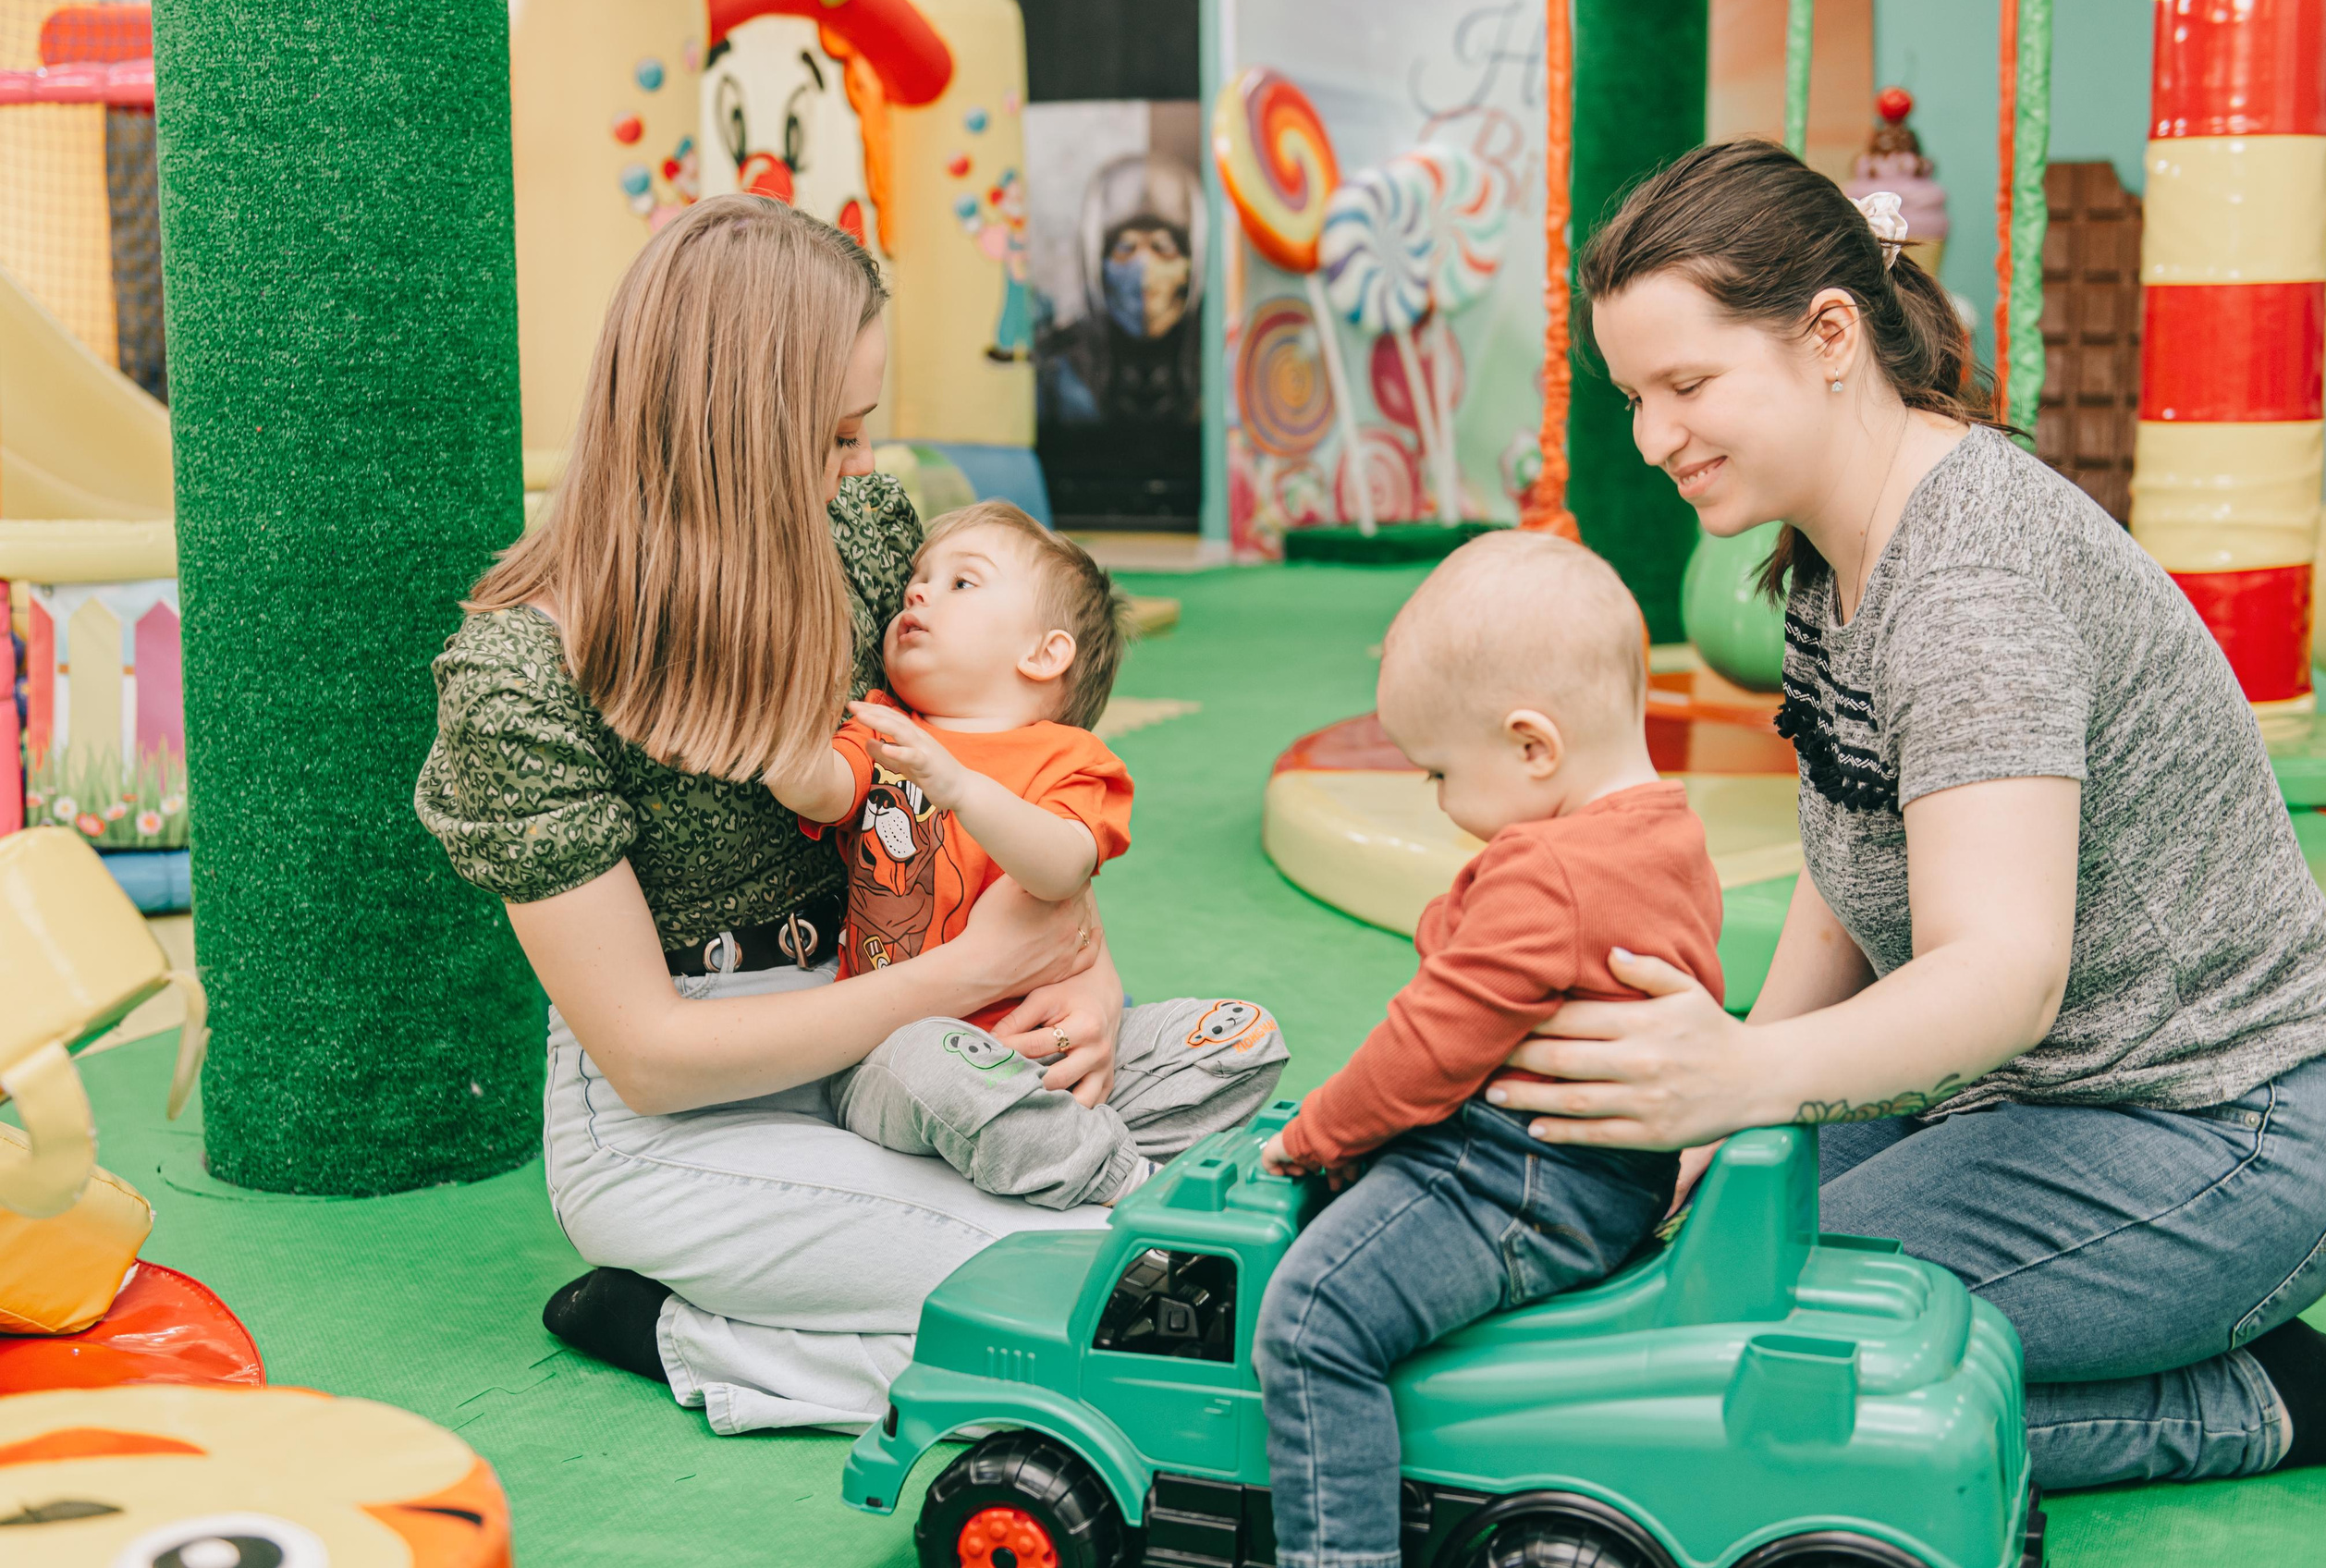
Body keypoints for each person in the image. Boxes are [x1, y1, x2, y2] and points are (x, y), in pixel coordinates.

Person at [1478, 138, 2326, 1488]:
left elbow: (2005, 973)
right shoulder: (1834, 554)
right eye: (1633, 398)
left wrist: (1741, 1077)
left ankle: (2260, 1398)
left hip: (2223, 1127)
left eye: (1688, 384)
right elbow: (1855, 864)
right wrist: (1723, 1116)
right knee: (1675, 1248)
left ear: (1830, 336)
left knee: (1743, 1372)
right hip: (2021, 1096)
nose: (1654, 438)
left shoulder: (1968, 587)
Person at [411, 194, 1262, 1434]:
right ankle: (697, 1333)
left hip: (891, 1015)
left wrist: (1083, 963)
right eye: (838, 433)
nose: (864, 464)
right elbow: (645, 1056)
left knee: (1175, 1198)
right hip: (687, 1112)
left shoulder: (861, 535)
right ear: (736, 434)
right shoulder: (521, 679)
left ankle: (778, 1314)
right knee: (1124, 1282)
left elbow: (985, 764)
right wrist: (966, 973)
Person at [1254, 533, 1723, 1568]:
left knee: (1311, 1316)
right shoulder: (1668, 835)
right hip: (1609, 1176)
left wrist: (1316, 1130)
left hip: (1518, 1177)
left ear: (1530, 747)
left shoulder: (1546, 873)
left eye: (1437, 772)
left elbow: (1427, 1044)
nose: (1437, 799)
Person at [768, 499, 1286, 1208]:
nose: (917, 591)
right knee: (940, 1070)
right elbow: (820, 791)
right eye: (919, 578)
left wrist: (957, 785)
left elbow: (1062, 865)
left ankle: (1057, 1146)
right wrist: (768, 727)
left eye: (962, 582)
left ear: (1044, 654)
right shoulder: (882, 726)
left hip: (1048, 1055)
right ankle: (1125, 1185)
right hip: (892, 1058)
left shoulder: (1070, 759)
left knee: (1244, 1036)